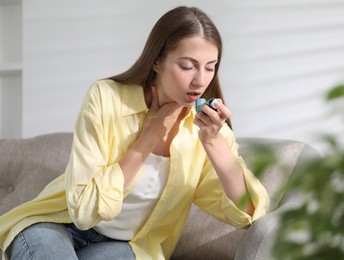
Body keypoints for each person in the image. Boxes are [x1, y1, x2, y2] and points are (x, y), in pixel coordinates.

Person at [0, 6, 269, 260]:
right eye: (187, 66)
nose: (200, 80)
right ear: (156, 61)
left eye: (210, 67)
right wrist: (145, 143)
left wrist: (214, 142)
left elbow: (247, 215)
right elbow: (83, 212)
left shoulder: (205, 131)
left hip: (129, 246)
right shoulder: (105, 98)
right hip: (58, 222)